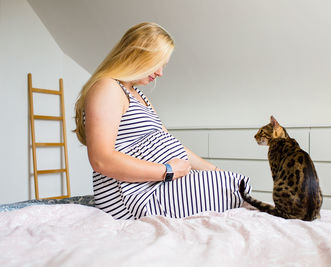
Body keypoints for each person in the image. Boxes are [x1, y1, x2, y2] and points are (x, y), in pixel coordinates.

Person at [74, 22, 251, 219]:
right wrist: (167, 171)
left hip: (157, 185)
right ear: (138, 54)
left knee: (236, 183)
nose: (160, 73)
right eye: (157, 63)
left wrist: (215, 171)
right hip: (133, 197)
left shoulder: (139, 95)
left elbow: (174, 145)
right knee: (234, 188)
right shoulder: (107, 88)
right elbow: (101, 159)